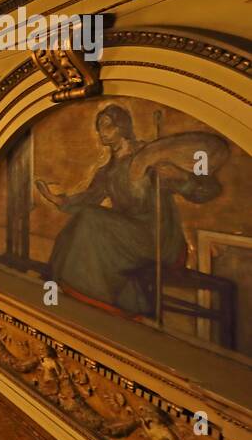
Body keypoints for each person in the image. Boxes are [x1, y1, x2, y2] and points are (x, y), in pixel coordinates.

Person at [36, 104, 220, 314]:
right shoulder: (107, 171)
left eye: (107, 126)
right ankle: (66, 286)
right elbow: (88, 199)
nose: (101, 132)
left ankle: (88, 295)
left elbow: (208, 191)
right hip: (124, 234)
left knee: (90, 219)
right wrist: (54, 198)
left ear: (122, 126)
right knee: (84, 221)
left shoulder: (150, 160)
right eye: (98, 127)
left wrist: (181, 176)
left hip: (156, 237)